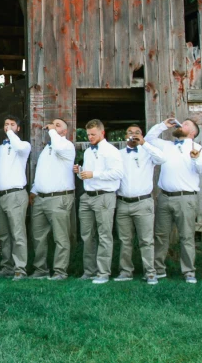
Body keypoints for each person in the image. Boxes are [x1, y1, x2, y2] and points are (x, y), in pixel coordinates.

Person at [145, 117, 202, 284]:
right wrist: (162, 126)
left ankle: (189, 272)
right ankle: (158, 269)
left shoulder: (198, 148)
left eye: (187, 124)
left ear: (193, 132)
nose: (182, 124)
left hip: (185, 198)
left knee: (186, 236)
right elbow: (149, 139)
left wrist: (195, 158)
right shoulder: (166, 145)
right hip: (164, 197)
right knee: (160, 235)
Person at [114, 124, 165, 285]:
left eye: (137, 133)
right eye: (130, 132)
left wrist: (144, 143)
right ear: (125, 136)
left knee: (146, 240)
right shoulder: (118, 154)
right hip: (122, 202)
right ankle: (125, 271)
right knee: (125, 240)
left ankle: (150, 272)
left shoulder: (147, 153)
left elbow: (162, 159)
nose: (133, 135)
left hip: (143, 202)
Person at [74, 119, 124, 284]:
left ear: (102, 133)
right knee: (87, 235)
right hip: (87, 196)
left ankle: (103, 273)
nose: (90, 137)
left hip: (104, 196)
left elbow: (117, 173)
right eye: (88, 134)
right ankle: (89, 271)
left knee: (104, 235)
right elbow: (88, 175)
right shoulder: (88, 152)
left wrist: (94, 174)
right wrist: (79, 172)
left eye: (93, 134)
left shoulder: (111, 151)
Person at [29, 118, 76, 281]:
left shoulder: (66, 146)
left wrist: (51, 131)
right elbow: (42, 172)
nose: (54, 127)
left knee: (61, 237)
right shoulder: (46, 149)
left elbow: (58, 145)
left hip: (59, 198)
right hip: (41, 199)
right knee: (38, 236)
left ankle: (60, 271)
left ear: (64, 131)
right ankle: (40, 269)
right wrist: (34, 191)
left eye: (58, 126)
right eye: (53, 124)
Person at [0, 115, 31, 281]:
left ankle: (20, 268)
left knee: (17, 232)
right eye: (6, 124)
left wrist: (11, 134)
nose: (8, 127)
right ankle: (6, 267)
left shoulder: (23, 146)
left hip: (15, 194)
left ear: (18, 128)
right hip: (0, 196)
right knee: (4, 234)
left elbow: (19, 147)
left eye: (12, 124)